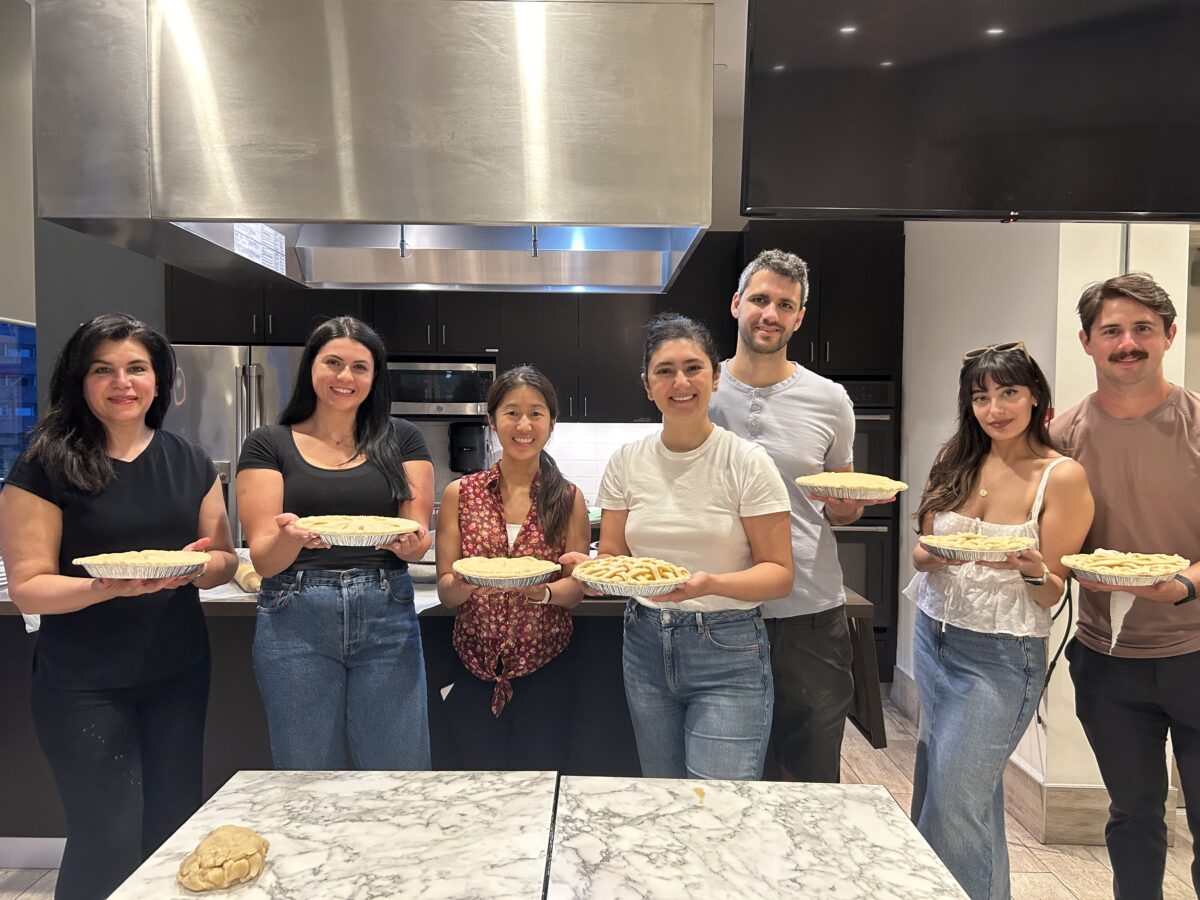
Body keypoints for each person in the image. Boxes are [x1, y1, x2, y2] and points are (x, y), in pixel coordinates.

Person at [0, 314, 238, 900]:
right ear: (80, 381)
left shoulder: (191, 461)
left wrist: (196, 567)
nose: (122, 382)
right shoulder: (44, 464)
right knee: (105, 836)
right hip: (83, 681)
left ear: (159, 381)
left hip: (178, 671)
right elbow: (29, 584)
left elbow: (226, 560)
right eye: (103, 370)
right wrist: (106, 586)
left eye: (137, 368)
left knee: (172, 827)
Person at [564, 313, 793, 780]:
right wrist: (590, 572)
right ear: (647, 384)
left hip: (727, 648)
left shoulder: (746, 461)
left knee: (717, 808)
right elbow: (612, 556)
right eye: (664, 371)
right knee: (664, 799)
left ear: (716, 377)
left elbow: (779, 573)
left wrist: (710, 583)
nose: (680, 382)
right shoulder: (627, 461)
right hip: (645, 641)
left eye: (693, 368)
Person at [906, 341, 1093, 900]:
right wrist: (941, 553)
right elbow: (921, 552)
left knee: (956, 802)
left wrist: (1033, 569)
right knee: (945, 787)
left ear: (1035, 397)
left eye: (1009, 392)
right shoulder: (955, 460)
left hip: (1001, 658)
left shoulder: (1061, 477)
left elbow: (1049, 593)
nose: (996, 408)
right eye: (981, 397)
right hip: (933, 637)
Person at [709, 248, 885, 783]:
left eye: (785, 305)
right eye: (760, 299)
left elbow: (842, 505)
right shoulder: (699, 388)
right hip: (718, 607)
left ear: (799, 317)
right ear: (737, 303)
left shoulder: (830, 400)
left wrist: (848, 503)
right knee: (730, 772)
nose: (770, 313)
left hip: (808, 609)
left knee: (809, 775)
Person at [1050, 273, 1200, 898]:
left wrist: (1188, 585)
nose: (1127, 343)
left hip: (1196, 651)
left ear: (1168, 335)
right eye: (1111, 330)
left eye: (1143, 329)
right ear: (1086, 341)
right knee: (1134, 818)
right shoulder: (1060, 437)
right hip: (1107, 661)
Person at [237, 316, 434, 770]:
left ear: (374, 376)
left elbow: (414, 538)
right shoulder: (269, 444)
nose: (345, 378)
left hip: (386, 608)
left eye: (359, 367)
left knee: (398, 771)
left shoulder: (403, 439)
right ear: (311, 368)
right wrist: (292, 538)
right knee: (306, 772)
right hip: (294, 611)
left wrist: (410, 545)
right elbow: (265, 559)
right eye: (333, 363)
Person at [435, 366, 590, 770]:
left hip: (546, 668)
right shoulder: (460, 495)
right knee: (476, 787)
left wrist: (544, 592)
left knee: (538, 785)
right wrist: (467, 587)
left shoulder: (569, 498)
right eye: (511, 413)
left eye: (536, 413)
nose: (524, 425)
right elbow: (446, 590)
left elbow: (575, 590)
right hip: (473, 666)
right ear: (492, 421)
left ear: (552, 423)